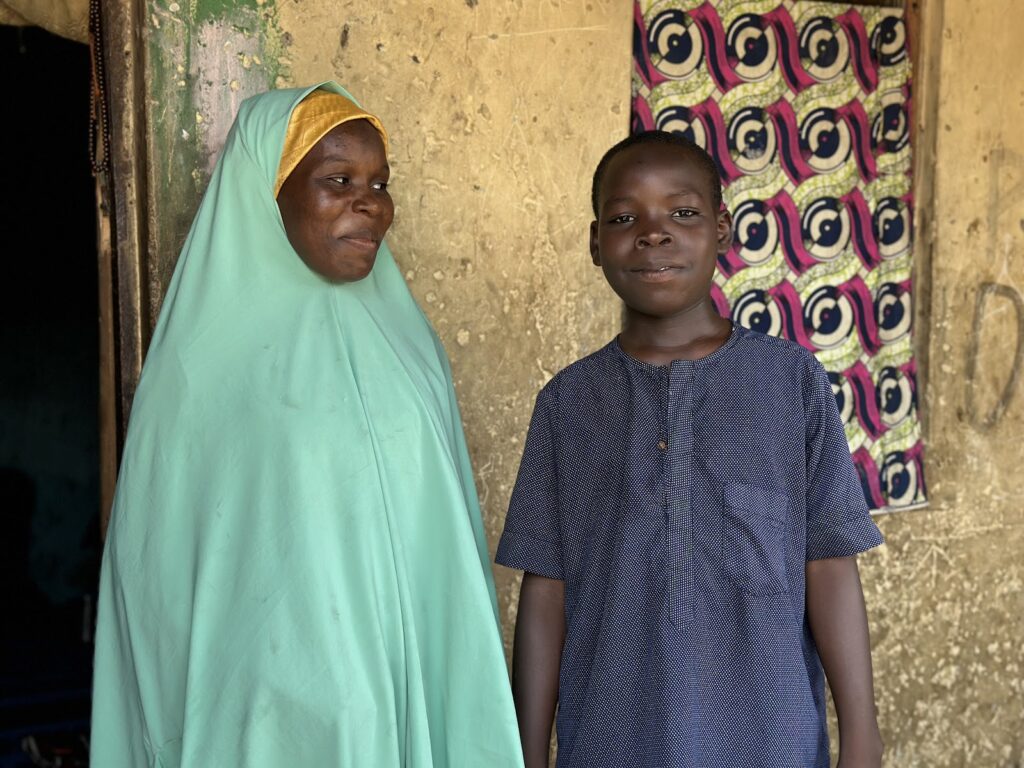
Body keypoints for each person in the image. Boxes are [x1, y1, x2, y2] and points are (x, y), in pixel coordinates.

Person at [90, 82, 523, 768]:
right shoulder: (202, 367)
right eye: (337, 180)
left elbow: (440, 554)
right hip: (260, 714)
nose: (369, 202)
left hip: (389, 697)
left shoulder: (410, 347)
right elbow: (156, 578)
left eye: (379, 182)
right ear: (268, 189)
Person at [496, 131, 884, 768]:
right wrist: (528, 750)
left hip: (768, 737)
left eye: (682, 213)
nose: (654, 234)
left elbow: (830, 566)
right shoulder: (568, 404)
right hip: (613, 741)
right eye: (625, 219)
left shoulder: (791, 385)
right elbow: (546, 593)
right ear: (595, 243)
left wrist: (861, 735)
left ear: (723, 231)